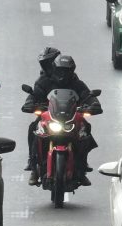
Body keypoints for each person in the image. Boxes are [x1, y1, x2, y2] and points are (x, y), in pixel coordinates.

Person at [20, 53, 98, 186]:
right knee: (33, 128)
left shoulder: (77, 83)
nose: (63, 74)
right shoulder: (45, 81)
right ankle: (33, 167)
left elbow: (87, 95)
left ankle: (82, 167)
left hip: (71, 117)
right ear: (54, 68)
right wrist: (30, 103)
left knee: (86, 129)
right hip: (49, 116)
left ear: (72, 71)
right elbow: (35, 95)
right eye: (60, 70)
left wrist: (94, 104)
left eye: (67, 71)